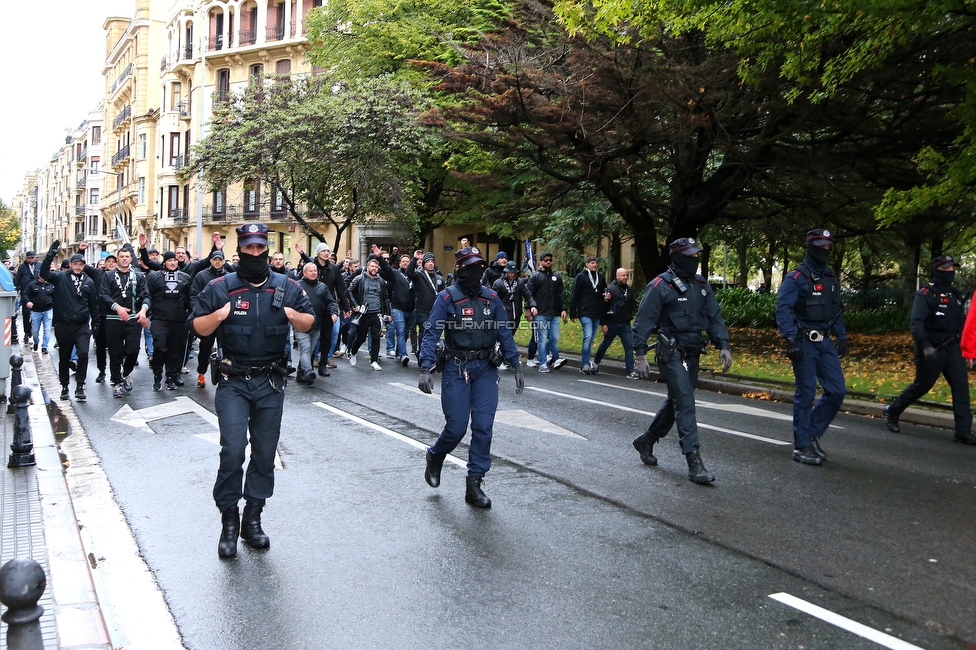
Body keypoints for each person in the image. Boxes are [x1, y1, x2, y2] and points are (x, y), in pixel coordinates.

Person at [188, 222, 314, 559]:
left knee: (263, 453)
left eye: (260, 248)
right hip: (233, 381)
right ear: (240, 249)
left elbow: (309, 321)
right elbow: (198, 326)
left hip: (271, 383)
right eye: (249, 248)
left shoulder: (286, 286)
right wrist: (218, 315)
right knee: (231, 450)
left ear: (267, 248)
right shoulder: (221, 287)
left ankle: (252, 520)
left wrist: (292, 314)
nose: (255, 254)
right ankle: (229, 522)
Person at [419, 246, 525, 507]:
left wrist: (515, 363)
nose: (477, 271)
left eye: (480, 266)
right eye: (471, 267)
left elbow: (504, 332)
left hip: (486, 369)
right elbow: (431, 333)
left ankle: (474, 484)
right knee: (456, 428)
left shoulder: (491, 298)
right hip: (457, 368)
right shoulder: (446, 298)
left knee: (483, 428)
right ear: (460, 269)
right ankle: (435, 455)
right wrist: (425, 367)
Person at [631, 238, 732, 484]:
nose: (694, 259)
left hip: (693, 352)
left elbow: (714, 317)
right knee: (685, 402)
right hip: (671, 353)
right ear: (676, 257)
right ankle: (694, 462)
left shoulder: (701, 285)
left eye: (696, 254)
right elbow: (642, 322)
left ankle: (646, 439)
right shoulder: (659, 286)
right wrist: (640, 355)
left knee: (677, 401)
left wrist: (723, 345)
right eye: (689, 255)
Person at [776, 228, 848, 465]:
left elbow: (835, 309)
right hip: (804, 343)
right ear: (810, 247)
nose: (825, 251)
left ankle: (812, 432)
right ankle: (801, 446)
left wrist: (842, 336)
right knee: (806, 393)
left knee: (837, 390)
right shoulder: (796, 277)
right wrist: (790, 339)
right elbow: (783, 309)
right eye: (821, 247)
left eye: (829, 247)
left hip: (825, 342)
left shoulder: (830, 278)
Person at [889, 256, 976, 444]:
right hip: (932, 348)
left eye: (953, 267)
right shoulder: (926, 294)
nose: (951, 271)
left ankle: (963, 430)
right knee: (922, 386)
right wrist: (926, 346)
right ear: (937, 270)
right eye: (947, 268)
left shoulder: (955, 294)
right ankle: (893, 410)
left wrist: (968, 349)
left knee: (961, 388)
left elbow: (962, 322)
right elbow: (916, 323)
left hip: (953, 347)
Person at [40, 244, 99, 402]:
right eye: (75, 264)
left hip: (81, 325)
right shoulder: (60, 277)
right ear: (70, 265)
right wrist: (50, 255)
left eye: (81, 265)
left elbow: (93, 304)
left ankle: (80, 385)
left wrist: (96, 324)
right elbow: (44, 273)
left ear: (84, 266)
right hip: (64, 324)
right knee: (64, 357)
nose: (78, 267)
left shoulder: (89, 282)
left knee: (83, 353)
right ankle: (65, 386)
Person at [100, 247, 150, 398]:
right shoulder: (108, 276)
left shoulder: (138, 276)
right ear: (117, 259)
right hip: (113, 319)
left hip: (133, 319)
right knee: (115, 353)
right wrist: (118, 308)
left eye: (127, 256)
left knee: (133, 350)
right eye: (121, 256)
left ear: (130, 259)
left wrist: (143, 310)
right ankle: (116, 383)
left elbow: (146, 295)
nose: (124, 259)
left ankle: (126, 373)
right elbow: (104, 295)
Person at [146, 251, 192, 391]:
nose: (172, 263)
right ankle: (157, 375)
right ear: (164, 262)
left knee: (175, 351)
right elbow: (148, 295)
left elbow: (189, 298)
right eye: (169, 260)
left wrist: (191, 314)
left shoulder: (185, 278)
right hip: (159, 319)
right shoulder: (154, 277)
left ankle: (171, 376)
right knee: (160, 347)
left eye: (175, 260)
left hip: (178, 320)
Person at [295, 262, 338, 384]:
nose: (314, 273)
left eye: (315, 271)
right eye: (311, 271)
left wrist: (333, 312)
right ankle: (308, 372)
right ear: (304, 272)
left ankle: (300, 373)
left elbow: (331, 301)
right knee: (305, 348)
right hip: (301, 324)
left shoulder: (322, 287)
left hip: (316, 324)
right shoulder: (297, 286)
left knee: (310, 349)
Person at [525, 252, 568, 372]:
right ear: (541, 262)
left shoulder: (557, 277)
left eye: (550, 260)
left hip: (554, 313)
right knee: (542, 339)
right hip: (540, 313)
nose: (548, 262)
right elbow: (529, 294)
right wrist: (529, 308)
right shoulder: (535, 276)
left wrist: (563, 309)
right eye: (546, 260)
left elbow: (561, 294)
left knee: (554, 338)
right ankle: (543, 363)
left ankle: (542, 354)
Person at [191, 251, 229, 388]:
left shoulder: (229, 277)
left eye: (220, 259)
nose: (217, 262)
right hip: (208, 318)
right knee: (205, 347)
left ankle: (225, 374)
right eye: (215, 259)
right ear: (211, 261)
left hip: (225, 319)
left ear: (224, 261)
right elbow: (194, 296)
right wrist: (198, 313)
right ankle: (201, 373)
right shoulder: (202, 276)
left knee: (225, 348)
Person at [346, 257, 391, 370]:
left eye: (376, 267)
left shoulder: (381, 281)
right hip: (363, 313)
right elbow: (349, 291)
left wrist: (388, 313)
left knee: (376, 337)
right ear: (367, 267)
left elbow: (385, 298)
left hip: (376, 313)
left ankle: (374, 361)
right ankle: (353, 351)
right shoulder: (359, 279)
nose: (374, 268)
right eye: (372, 266)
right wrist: (355, 305)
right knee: (361, 338)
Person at [593, 267, 637, 378]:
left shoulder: (630, 290)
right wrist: (604, 323)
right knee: (605, 344)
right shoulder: (610, 289)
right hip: (611, 323)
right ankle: (595, 363)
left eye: (626, 275)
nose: (626, 277)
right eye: (623, 275)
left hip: (625, 324)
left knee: (629, 346)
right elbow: (603, 307)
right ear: (617, 276)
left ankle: (630, 370)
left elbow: (632, 306)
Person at [376, 247, 415, 366]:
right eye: (403, 261)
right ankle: (404, 354)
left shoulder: (415, 275)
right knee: (401, 330)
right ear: (400, 263)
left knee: (406, 331)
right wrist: (380, 257)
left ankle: (399, 352)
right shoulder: (396, 274)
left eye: (408, 262)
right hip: (397, 308)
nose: (405, 263)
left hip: (411, 309)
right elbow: (386, 268)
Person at [570, 255, 608, 374]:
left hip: (597, 312)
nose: (594, 265)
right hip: (585, 312)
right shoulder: (581, 277)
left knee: (591, 339)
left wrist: (606, 296)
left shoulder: (600, 277)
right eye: (592, 263)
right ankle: (584, 364)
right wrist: (573, 312)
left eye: (595, 263)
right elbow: (575, 294)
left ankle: (587, 361)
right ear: (586, 264)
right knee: (588, 336)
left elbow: (604, 292)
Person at [408, 251, 445, 364]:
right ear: (423, 264)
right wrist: (414, 259)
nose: (430, 264)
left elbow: (443, 293)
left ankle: (424, 352)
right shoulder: (419, 275)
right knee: (425, 331)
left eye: (432, 262)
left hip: (435, 311)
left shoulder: (439, 278)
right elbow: (409, 273)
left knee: (433, 333)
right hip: (422, 311)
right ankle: (425, 356)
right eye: (428, 262)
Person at [15, 251, 42, 347]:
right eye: (29, 258)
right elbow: (18, 279)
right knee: (26, 313)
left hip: (36, 292)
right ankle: (26, 332)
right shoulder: (22, 267)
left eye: (32, 258)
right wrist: (17, 291)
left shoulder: (39, 265)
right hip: (25, 291)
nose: (31, 260)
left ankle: (32, 330)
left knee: (35, 313)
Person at [24, 273, 54, 353]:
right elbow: (25, 294)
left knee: (47, 330)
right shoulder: (32, 285)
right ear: (39, 275)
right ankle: (36, 341)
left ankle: (44, 346)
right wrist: (28, 302)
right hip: (36, 311)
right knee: (35, 330)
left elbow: (56, 296)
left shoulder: (51, 285)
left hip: (48, 310)